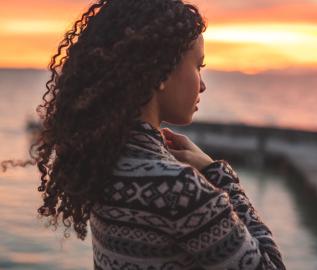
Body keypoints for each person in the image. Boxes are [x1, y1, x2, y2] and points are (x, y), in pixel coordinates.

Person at [1, 0, 286, 269]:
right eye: (199, 66)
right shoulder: (182, 190)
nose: (203, 86)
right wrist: (217, 173)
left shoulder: (103, 163)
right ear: (161, 72)